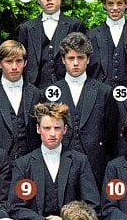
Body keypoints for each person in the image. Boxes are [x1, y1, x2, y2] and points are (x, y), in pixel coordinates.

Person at [8, 102, 100, 220]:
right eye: (47, 128)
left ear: (65, 129)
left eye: (57, 128)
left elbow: (92, 203)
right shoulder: (24, 163)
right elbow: (15, 206)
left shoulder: (79, 161)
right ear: (38, 129)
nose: (52, 133)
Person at [50, 32, 118, 183]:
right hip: (59, 166)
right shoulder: (51, 93)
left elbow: (110, 134)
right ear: (63, 60)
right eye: (71, 58)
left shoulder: (104, 92)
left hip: (95, 167)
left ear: (88, 60)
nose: (75, 63)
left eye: (80, 58)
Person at [19, 0, 87, 88]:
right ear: (37, 0)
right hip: (35, 88)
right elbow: (21, 60)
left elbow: (82, 58)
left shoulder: (75, 25)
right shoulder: (27, 28)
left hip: (68, 87)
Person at [0, 40, 42, 162]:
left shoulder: (36, 94)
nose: (14, 67)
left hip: (30, 164)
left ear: (25, 62)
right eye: (8, 61)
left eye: (18, 61)